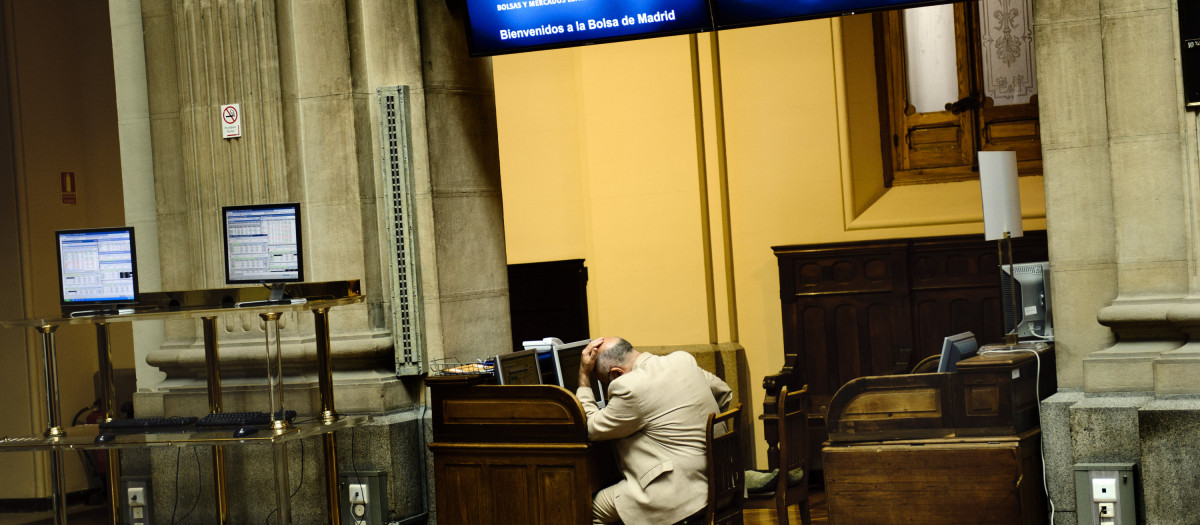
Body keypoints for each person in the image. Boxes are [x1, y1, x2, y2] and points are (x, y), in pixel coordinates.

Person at [577, 336, 733, 525]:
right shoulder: (682, 360)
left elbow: (590, 427)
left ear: (617, 374)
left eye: (604, 383)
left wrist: (584, 380)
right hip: (724, 482)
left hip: (683, 496)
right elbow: (724, 393)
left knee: (591, 509)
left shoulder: (629, 387)